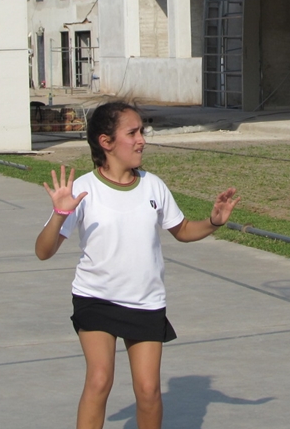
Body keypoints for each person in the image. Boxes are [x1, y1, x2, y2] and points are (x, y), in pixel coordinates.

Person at [35, 101, 240, 429]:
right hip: (96, 298)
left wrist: (213, 221)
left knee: (148, 392)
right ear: (106, 142)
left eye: (142, 131)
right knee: (99, 380)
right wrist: (60, 213)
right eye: (132, 133)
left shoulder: (153, 185)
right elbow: (43, 251)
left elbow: (183, 230)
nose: (142, 140)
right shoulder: (82, 190)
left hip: (145, 301)